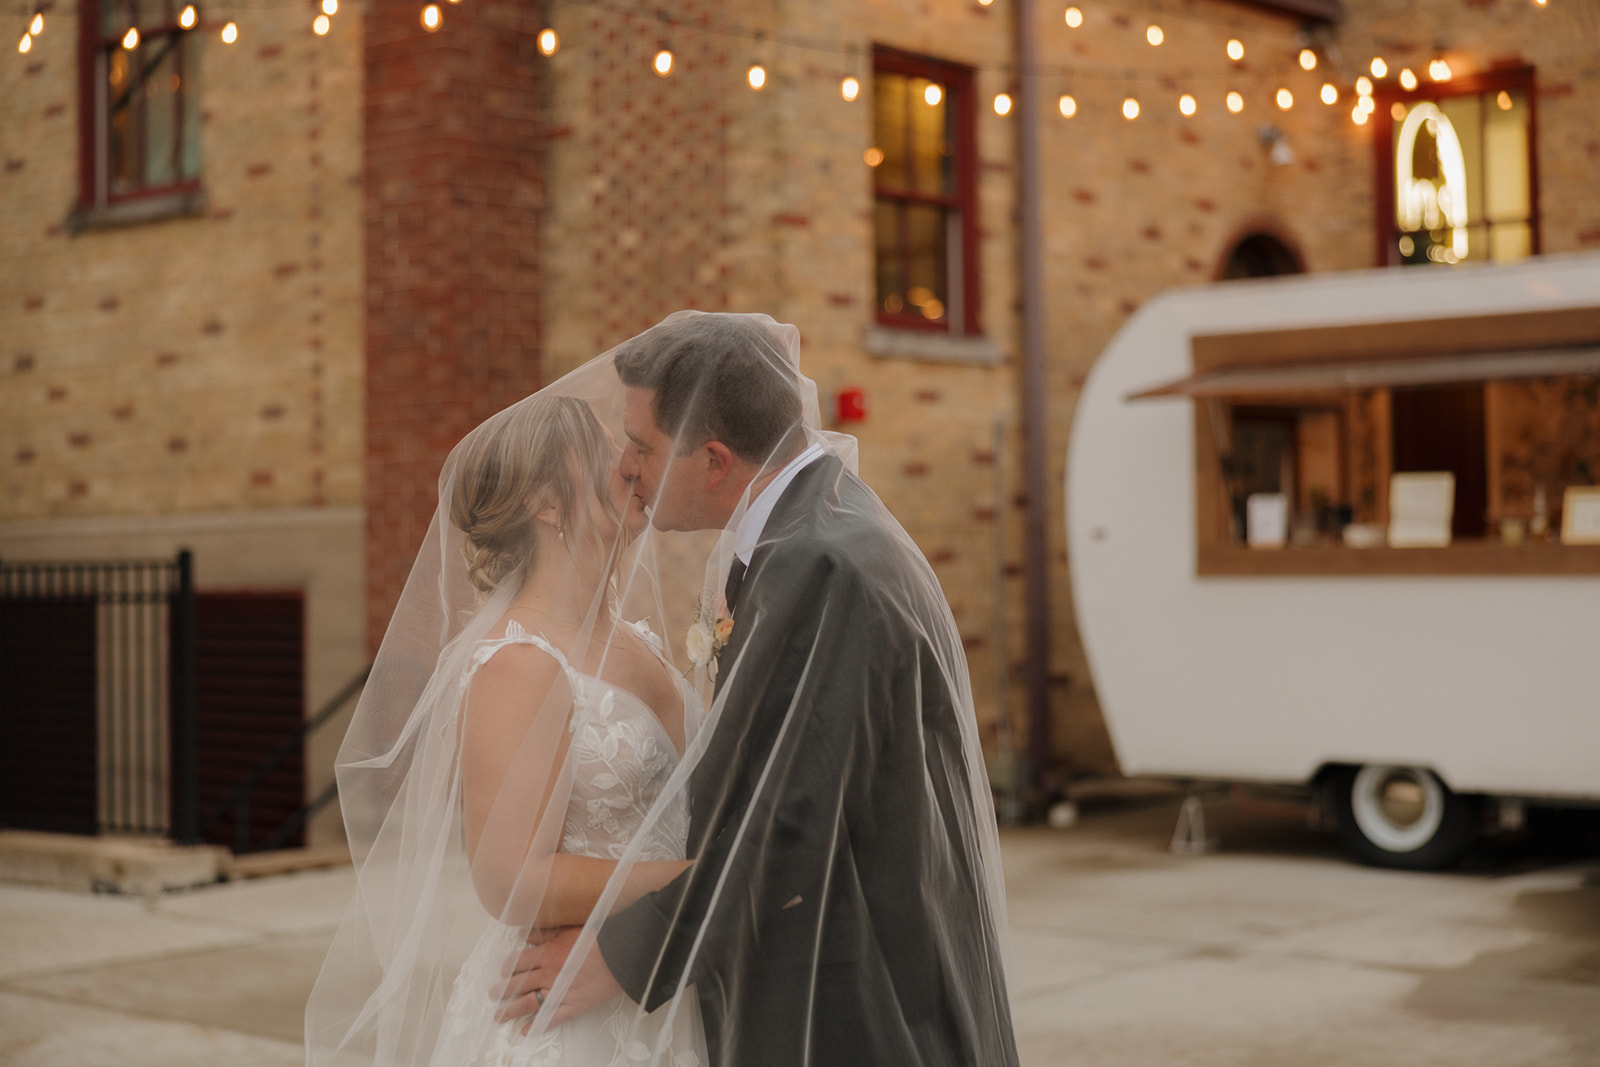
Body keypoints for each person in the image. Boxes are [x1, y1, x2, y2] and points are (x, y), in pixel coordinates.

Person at [498, 312, 1019, 1067]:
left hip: (859, 1000)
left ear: (713, 460)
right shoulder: (818, 529)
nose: (628, 468)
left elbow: (790, 823)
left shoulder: (820, 563)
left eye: (642, 446)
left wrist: (624, 954)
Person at [306, 389, 711, 1067]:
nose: (632, 466)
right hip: (570, 1015)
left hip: (660, 978)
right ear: (545, 504)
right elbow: (510, 877)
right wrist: (704, 879)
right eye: (607, 454)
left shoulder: (639, 641)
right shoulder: (520, 664)